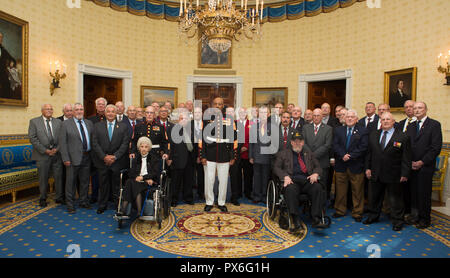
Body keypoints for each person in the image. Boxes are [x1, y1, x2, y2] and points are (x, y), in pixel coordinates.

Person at [364, 112, 411, 231]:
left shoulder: (403, 136)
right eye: (383, 119)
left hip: (394, 174)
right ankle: (373, 216)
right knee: (374, 198)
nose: (385, 121)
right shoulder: (373, 135)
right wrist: (368, 168)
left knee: (395, 200)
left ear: (393, 121)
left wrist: (405, 173)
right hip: (376, 172)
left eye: (388, 119)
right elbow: (369, 153)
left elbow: (406, 157)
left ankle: (397, 221)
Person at [273, 132, 328, 231]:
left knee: (317, 187)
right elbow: (276, 168)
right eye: (295, 141)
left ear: (303, 142)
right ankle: (295, 220)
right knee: (290, 190)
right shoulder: (283, 154)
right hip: (292, 181)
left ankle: (316, 218)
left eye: (300, 141)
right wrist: (285, 176)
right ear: (291, 142)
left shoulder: (309, 154)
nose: (297, 143)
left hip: (307, 180)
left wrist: (315, 174)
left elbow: (318, 167)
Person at [406, 101, 442, 229]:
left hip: (425, 166)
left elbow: (435, 147)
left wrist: (422, 162)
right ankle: (414, 216)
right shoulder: (410, 126)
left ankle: (425, 219)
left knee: (424, 193)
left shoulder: (434, 125)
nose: (416, 110)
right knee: (413, 193)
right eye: (415, 108)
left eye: (420, 108)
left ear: (426, 109)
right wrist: (409, 161)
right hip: (411, 166)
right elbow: (407, 146)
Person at [92, 104, 130, 214]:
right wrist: (104, 156)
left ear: (116, 113)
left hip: (117, 161)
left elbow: (125, 143)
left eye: (113, 111)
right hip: (102, 161)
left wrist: (114, 156)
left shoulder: (123, 126)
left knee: (117, 185)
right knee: (103, 184)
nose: (110, 113)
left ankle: (117, 204)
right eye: (108, 111)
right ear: (105, 113)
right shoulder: (97, 126)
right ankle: (102, 205)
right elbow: (95, 143)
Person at [200, 97, 236, 212]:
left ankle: (221, 202)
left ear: (223, 106)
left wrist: (232, 155)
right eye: (215, 104)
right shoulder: (206, 119)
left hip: (224, 154)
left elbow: (232, 139)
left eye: (219, 104)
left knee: (223, 180)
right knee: (209, 180)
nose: (217, 106)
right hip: (210, 154)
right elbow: (203, 139)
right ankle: (209, 202)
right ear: (212, 105)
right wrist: (203, 155)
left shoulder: (229, 119)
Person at [332, 109, 368, 222]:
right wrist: (343, 155)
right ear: (344, 118)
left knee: (357, 191)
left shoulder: (363, 131)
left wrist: (350, 156)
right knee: (340, 190)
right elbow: (335, 144)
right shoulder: (338, 130)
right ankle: (340, 210)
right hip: (341, 164)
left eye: (352, 117)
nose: (350, 118)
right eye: (347, 117)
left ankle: (357, 212)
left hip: (356, 165)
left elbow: (363, 147)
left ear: (356, 119)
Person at [59, 103, 94, 213]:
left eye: (81, 109)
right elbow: (62, 143)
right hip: (72, 159)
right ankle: (70, 204)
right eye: (77, 109)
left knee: (84, 182)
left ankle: (83, 201)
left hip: (87, 157)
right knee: (71, 183)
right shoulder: (65, 124)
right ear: (73, 112)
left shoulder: (89, 123)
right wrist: (65, 158)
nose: (79, 111)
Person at [116, 137, 160, 219]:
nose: (143, 149)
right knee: (129, 182)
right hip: (136, 181)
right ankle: (137, 211)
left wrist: (143, 178)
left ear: (149, 148)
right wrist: (136, 177)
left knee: (131, 184)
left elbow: (155, 173)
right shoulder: (135, 158)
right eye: (142, 147)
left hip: (147, 182)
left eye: (146, 147)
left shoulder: (154, 158)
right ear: (139, 148)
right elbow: (131, 172)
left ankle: (123, 210)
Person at [28, 104, 63, 207]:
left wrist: (57, 149)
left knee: (58, 177)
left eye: (51, 109)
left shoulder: (58, 122)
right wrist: (45, 150)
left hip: (57, 154)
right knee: (43, 178)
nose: (49, 111)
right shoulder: (34, 121)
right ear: (42, 110)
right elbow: (32, 138)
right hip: (42, 155)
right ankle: (43, 198)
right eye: (47, 109)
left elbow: (62, 137)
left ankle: (58, 197)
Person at [302, 108, 333, 201]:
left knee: (322, 186)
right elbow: (303, 143)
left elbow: (327, 145)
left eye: (318, 115)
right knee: (310, 185)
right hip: (308, 163)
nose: (315, 118)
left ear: (322, 116)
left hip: (322, 163)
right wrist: (310, 155)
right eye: (314, 115)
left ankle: (321, 208)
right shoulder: (305, 128)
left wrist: (313, 155)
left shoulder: (328, 129)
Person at [168, 112, 195, 206]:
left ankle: (188, 198)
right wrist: (170, 158)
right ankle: (174, 199)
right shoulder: (173, 129)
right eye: (182, 118)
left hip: (189, 159)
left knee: (188, 180)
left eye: (185, 119)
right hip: (177, 158)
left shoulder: (191, 129)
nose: (184, 120)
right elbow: (170, 145)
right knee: (176, 181)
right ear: (178, 120)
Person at [249, 106, 273, 204]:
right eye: (261, 112)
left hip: (267, 157)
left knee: (265, 177)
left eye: (265, 113)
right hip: (256, 156)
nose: (263, 115)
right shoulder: (254, 126)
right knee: (257, 177)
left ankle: (264, 196)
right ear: (259, 114)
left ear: (268, 115)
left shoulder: (273, 127)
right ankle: (256, 196)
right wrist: (250, 156)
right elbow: (251, 143)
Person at [87, 97, 107, 204]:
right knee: (94, 176)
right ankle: (94, 195)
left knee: (106, 176)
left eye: (103, 104)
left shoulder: (110, 118)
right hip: (95, 153)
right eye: (99, 104)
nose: (101, 106)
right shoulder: (90, 120)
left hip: (107, 153)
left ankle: (106, 196)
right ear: (96, 106)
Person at [236, 107, 253, 201]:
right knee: (237, 175)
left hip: (247, 154)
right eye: (240, 112)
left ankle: (248, 192)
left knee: (248, 175)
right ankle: (238, 192)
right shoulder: (235, 123)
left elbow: (253, 138)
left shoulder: (252, 124)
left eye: (244, 112)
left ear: (246, 113)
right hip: (237, 154)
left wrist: (246, 146)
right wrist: (239, 148)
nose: (242, 113)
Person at [191, 107, 205, 200]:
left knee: (202, 175)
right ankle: (190, 194)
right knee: (190, 175)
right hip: (191, 154)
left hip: (203, 154)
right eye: (195, 112)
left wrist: (201, 155)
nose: (197, 114)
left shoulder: (206, 124)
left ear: (202, 113)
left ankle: (201, 193)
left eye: (199, 112)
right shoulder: (189, 124)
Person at [0, 32, 17, 99]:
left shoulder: (3, 50)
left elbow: (13, 59)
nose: (1, 39)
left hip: (2, 72)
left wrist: (12, 62)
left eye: (1, 37)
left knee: (7, 85)